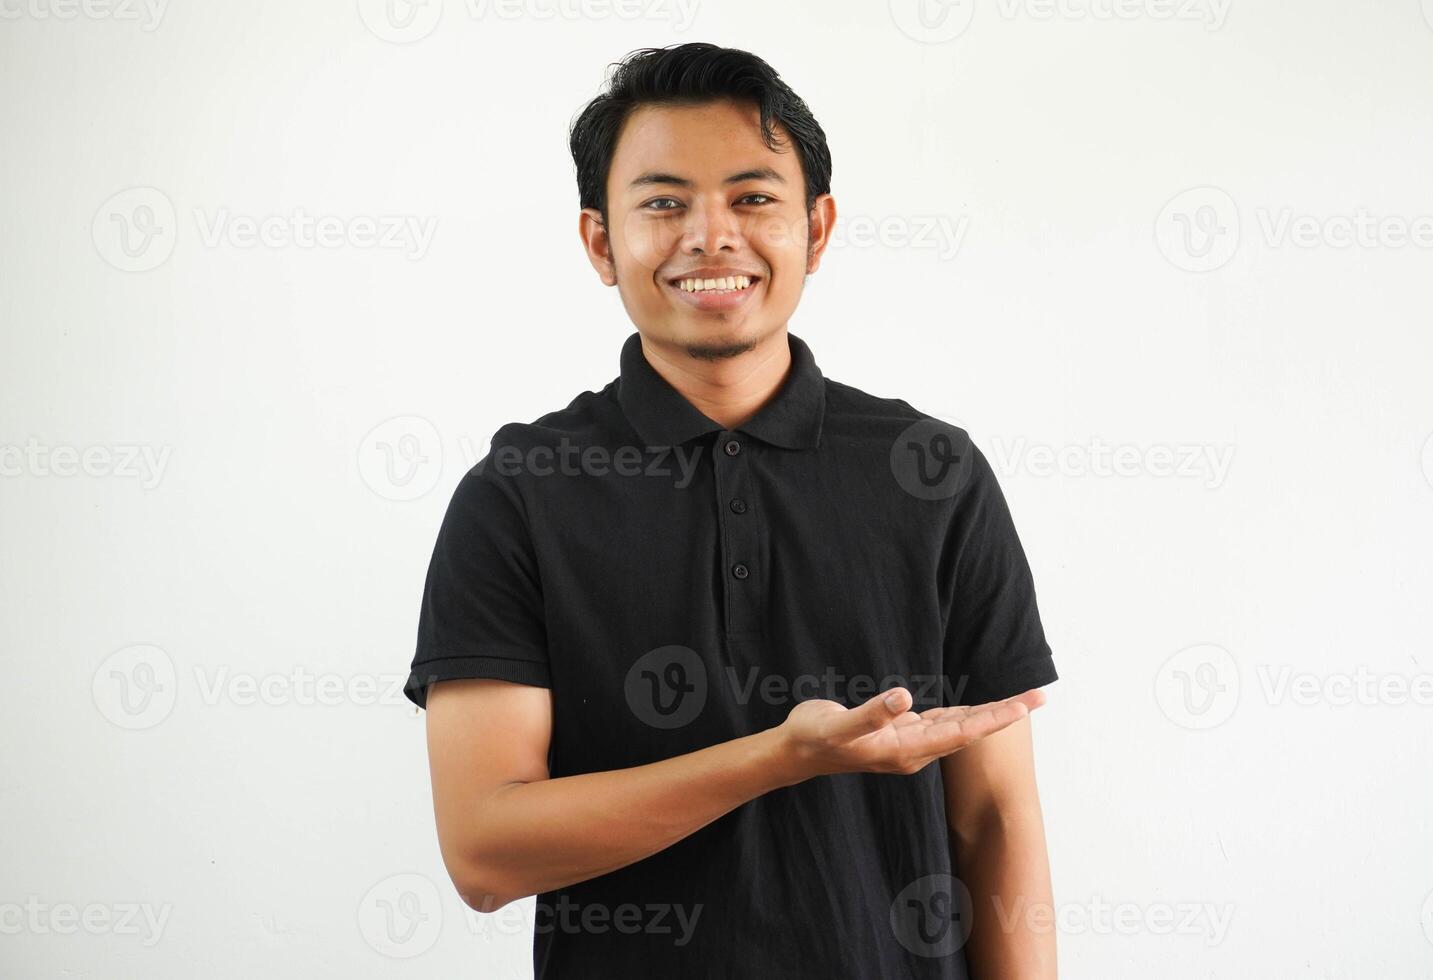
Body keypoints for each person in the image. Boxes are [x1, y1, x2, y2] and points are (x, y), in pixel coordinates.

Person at [404, 42, 1060, 980]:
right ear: (600, 242)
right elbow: (483, 852)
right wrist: (776, 758)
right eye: (663, 202)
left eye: (753, 198)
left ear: (818, 229)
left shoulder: (933, 473)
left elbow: (996, 818)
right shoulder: (518, 493)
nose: (710, 237)